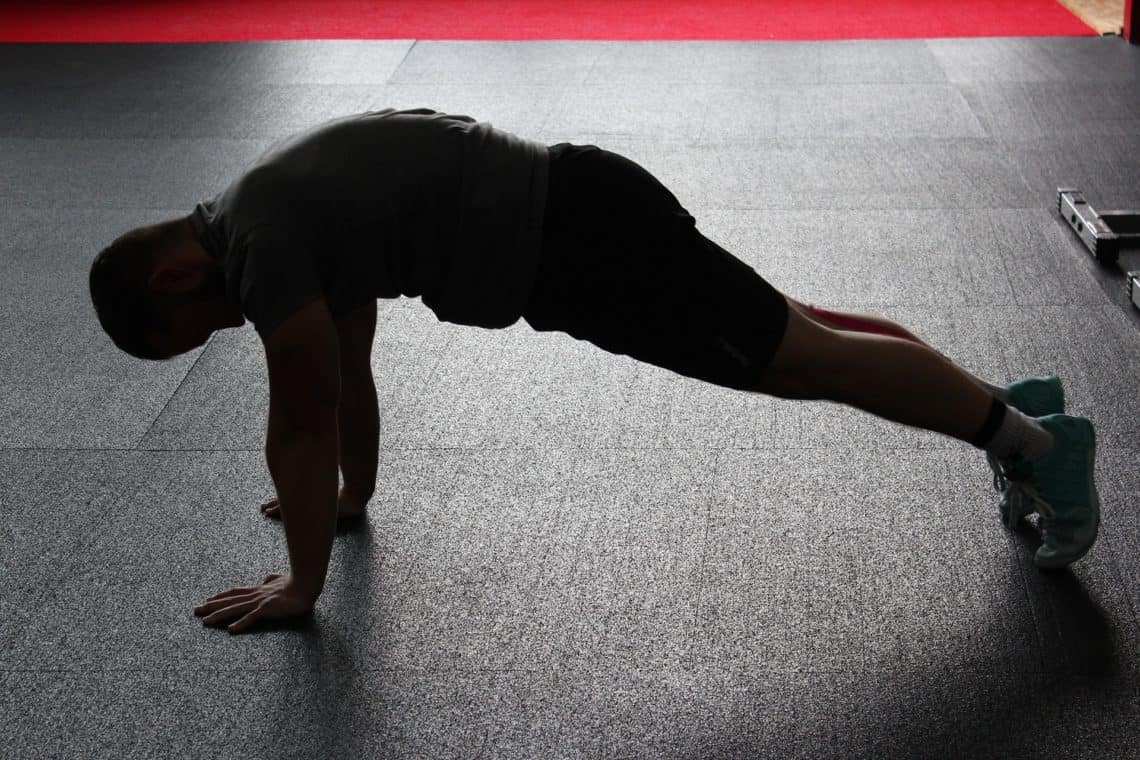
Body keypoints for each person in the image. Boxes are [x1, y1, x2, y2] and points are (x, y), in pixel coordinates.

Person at [88, 108, 1100, 634]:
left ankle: (1037, 446)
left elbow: (298, 416)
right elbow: (345, 370)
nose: (232, 327)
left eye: (203, 325)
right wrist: (352, 496)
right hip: (588, 204)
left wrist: (302, 583)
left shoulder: (263, 247)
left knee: (806, 359)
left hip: (588, 255)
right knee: (804, 329)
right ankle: (1008, 408)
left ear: (178, 273)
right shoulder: (271, 209)